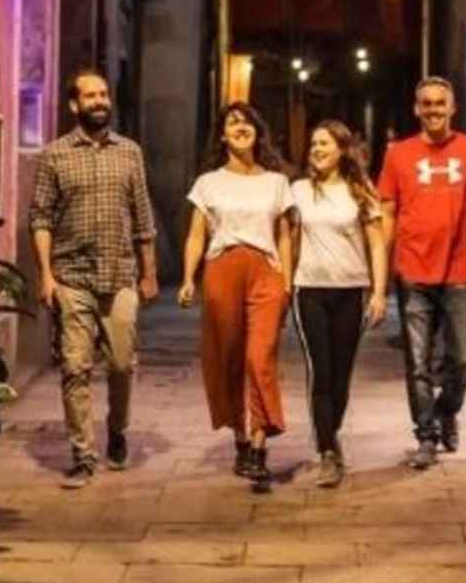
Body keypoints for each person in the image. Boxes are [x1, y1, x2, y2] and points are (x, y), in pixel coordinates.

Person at [28, 69, 159, 489]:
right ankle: (83, 455)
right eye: (91, 96)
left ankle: (117, 431)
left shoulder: (130, 152)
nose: (100, 101)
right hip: (72, 277)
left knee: (121, 364)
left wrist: (149, 271)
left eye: (104, 95)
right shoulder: (54, 155)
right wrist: (46, 275)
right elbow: (40, 218)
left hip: (120, 274)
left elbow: (143, 217)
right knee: (75, 367)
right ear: (74, 104)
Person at [377, 76, 466, 469]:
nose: (433, 110)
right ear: (417, 109)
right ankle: (426, 435)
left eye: (439, 103)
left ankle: (448, 410)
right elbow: (388, 214)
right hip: (412, 270)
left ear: (453, 107)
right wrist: (379, 278)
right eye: (426, 104)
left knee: (464, 357)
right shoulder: (398, 155)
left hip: (458, 269)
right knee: (417, 361)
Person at [178, 103, 294, 492]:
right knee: (226, 357)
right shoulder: (208, 182)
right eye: (232, 122)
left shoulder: (277, 182)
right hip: (222, 268)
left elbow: (284, 234)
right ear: (223, 136)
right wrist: (187, 279)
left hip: (266, 270)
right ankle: (240, 440)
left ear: (258, 132)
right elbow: (196, 233)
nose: (240, 127)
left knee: (259, 357)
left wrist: (287, 280)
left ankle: (261, 446)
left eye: (247, 122)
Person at [288, 121, 389, 488]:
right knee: (321, 371)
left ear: (342, 149)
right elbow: (291, 241)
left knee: (342, 373)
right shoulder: (298, 191)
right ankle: (328, 449)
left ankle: (331, 433)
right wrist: (285, 285)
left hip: (351, 290)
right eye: (313, 143)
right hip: (310, 290)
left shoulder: (361, 191)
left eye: (324, 143)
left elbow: (377, 244)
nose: (316, 149)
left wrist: (378, 292)